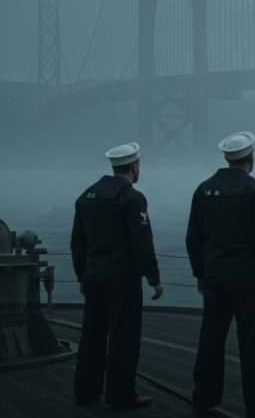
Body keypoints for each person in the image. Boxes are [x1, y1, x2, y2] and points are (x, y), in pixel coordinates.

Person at [186, 131, 255, 418]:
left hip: (215, 276)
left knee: (210, 340)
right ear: (251, 157)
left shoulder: (203, 189)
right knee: (253, 343)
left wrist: (200, 272)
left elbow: (193, 237)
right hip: (247, 278)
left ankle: (204, 401)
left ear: (226, 157)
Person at [71, 142, 164, 409]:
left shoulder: (86, 195)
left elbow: (77, 241)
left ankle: (85, 391)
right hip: (122, 278)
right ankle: (121, 394)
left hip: (93, 276)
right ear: (134, 167)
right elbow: (142, 244)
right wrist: (154, 278)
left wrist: (81, 275)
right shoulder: (132, 198)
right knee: (124, 337)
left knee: (92, 335)